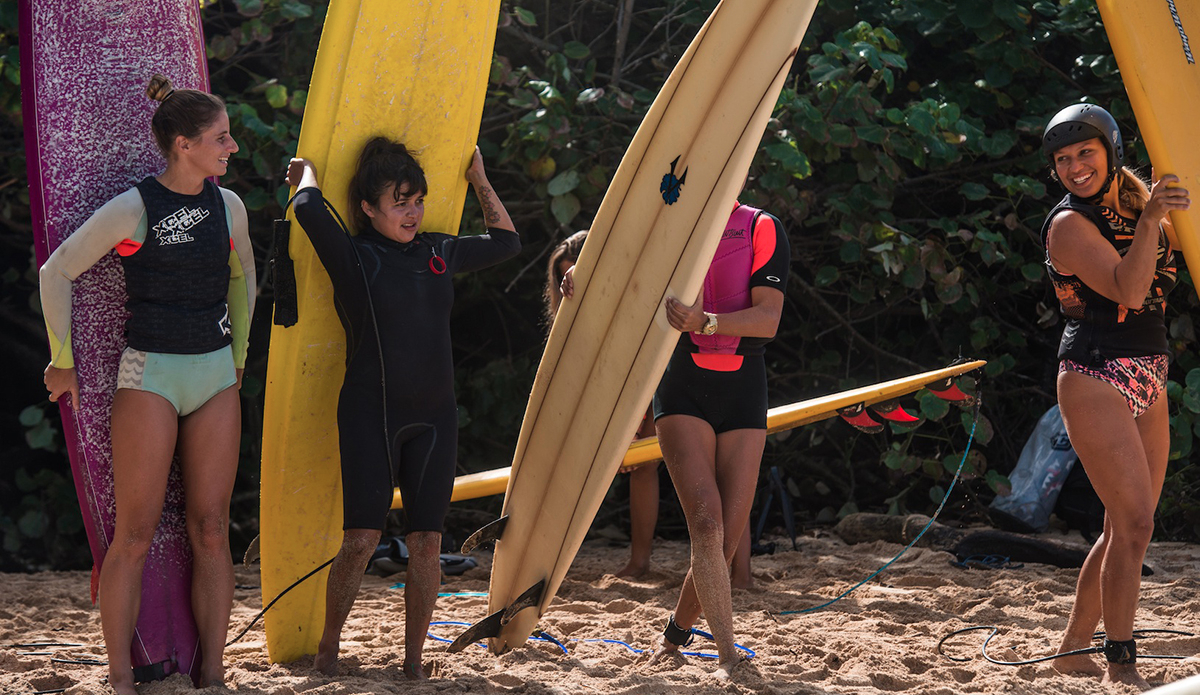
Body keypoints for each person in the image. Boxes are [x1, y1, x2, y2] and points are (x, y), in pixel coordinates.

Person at [40, 75, 253, 694]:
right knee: (133, 534)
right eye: (221, 137)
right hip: (150, 377)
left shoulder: (228, 206)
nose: (231, 147)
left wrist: (239, 355)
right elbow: (59, 271)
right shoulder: (135, 207)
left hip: (213, 375)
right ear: (184, 144)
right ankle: (120, 679)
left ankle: (212, 673)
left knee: (212, 529)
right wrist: (63, 359)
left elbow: (242, 277)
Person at [285, 139, 519, 679]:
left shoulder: (437, 251)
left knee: (427, 543)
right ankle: (328, 648)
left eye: (417, 201)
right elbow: (306, 209)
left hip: (434, 420)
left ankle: (414, 662)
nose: (413, 213)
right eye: (399, 203)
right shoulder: (356, 257)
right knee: (361, 540)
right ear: (368, 209)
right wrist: (310, 173)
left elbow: (507, 242)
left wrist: (479, 178)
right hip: (371, 414)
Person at [1040, 103, 1189, 688]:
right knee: (1132, 521)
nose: (1075, 167)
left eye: (1086, 152)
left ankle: (1072, 646)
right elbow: (1129, 287)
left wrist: (1154, 211)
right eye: (1063, 159)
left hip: (1148, 370)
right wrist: (1152, 220)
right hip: (1095, 372)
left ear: (1111, 149)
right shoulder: (1068, 225)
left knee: (1127, 526)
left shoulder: (1134, 199)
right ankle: (1120, 664)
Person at [646, 200, 789, 679]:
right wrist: (578, 275)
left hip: (744, 386)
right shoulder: (670, 217)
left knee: (725, 537)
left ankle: (675, 634)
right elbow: (622, 268)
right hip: (682, 381)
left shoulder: (760, 226)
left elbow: (767, 320)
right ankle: (729, 655)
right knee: (706, 527)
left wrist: (705, 321)